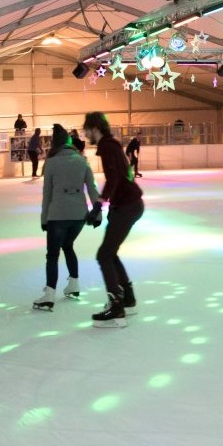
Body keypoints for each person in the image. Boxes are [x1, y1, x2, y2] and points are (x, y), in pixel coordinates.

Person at [83, 112, 145, 327]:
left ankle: (117, 307)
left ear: (95, 128)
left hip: (127, 206)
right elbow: (119, 177)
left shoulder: (108, 147)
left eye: (86, 129)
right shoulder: (111, 145)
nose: (85, 133)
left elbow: (114, 178)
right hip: (128, 205)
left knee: (104, 255)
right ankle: (127, 298)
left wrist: (99, 204)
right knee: (110, 252)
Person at [33, 124, 103, 311]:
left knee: (53, 254)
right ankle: (74, 285)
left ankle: (49, 295)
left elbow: (47, 193)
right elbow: (93, 189)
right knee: (68, 246)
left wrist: (44, 218)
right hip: (79, 215)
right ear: (69, 142)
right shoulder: (81, 161)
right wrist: (97, 214)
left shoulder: (52, 162)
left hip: (58, 215)